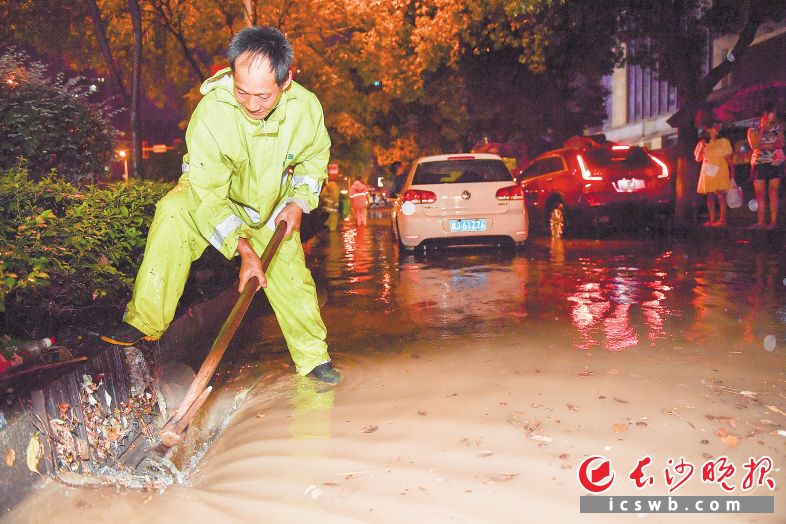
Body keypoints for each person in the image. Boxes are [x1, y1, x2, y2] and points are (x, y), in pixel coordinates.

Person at [100, 27, 341, 384]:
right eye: (242, 92)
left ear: (286, 80)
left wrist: (297, 203)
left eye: (263, 95)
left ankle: (313, 359)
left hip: (271, 208)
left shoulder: (305, 109)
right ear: (231, 76)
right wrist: (242, 248)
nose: (252, 104)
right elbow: (207, 193)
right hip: (210, 198)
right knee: (172, 212)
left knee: (292, 279)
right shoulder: (212, 113)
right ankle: (144, 321)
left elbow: (313, 161)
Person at [747, 106, 784, 230]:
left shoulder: (777, 128)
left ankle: (773, 222)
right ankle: (761, 221)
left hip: (775, 162)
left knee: (773, 191)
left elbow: (781, 143)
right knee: (760, 193)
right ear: (764, 116)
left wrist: (770, 145)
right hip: (759, 163)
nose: (771, 122)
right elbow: (754, 145)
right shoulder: (753, 129)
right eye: (769, 119)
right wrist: (762, 129)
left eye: (773, 119)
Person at [694, 121, 734, 227]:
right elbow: (698, 158)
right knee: (710, 194)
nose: (717, 128)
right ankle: (712, 219)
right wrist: (702, 147)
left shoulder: (724, 141)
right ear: (708, 129)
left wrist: (732, 172)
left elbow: (729, 158)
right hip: (709, 169)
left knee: (720, 194)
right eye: (715, 127)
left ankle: (722, 219)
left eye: (718, 126)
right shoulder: (703, 142)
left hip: (720, 168)